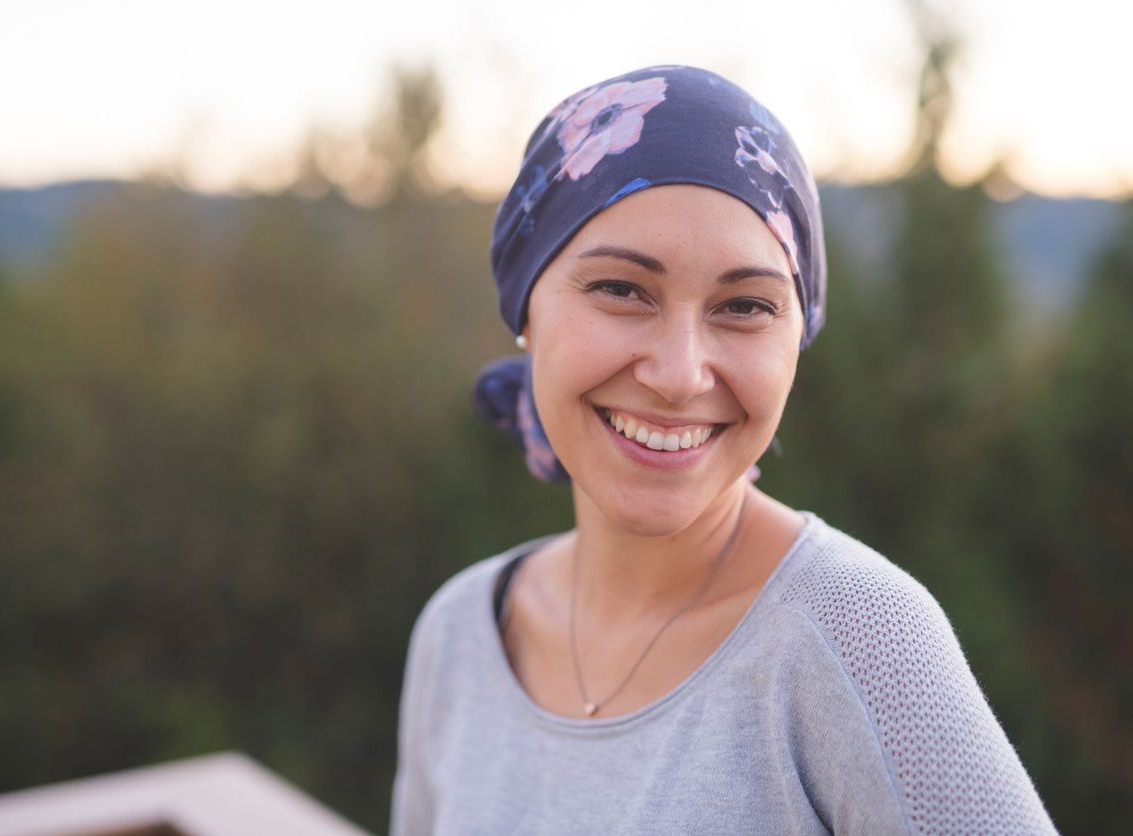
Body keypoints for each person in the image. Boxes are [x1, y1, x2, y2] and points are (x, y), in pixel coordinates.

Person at [389, 66, 1057, 835]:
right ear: (526, 309)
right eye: (621, 289)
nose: (679, 375)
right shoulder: (460, 635)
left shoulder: (855, 634)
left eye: (745, 306)